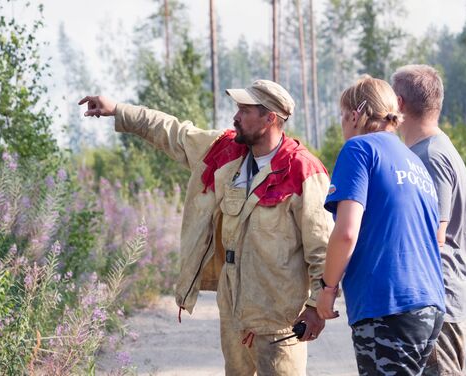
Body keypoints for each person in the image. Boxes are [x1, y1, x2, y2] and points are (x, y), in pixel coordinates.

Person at [79, 79, 334, 375]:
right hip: (234, 314)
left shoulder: (302, 170)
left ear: (270, 118)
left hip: (279, 321)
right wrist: (118, 110)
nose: (235, 117)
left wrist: (317, 305)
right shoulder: (224, 151)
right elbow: (172, 132)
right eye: (237, 109)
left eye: (244, 110)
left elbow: (322, 247)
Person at [316, 75, 446, 375]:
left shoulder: (359, 150)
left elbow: (346, 232)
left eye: (341, 114)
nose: (342, 122)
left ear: (355, 113)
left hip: (388, 305)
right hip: (429, 304)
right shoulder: (413, 162)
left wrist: (327, 288)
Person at [392, 64, 466, 376]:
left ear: (399, 104)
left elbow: (433, 233)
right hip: (434, 298)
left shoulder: (431, 156)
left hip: (440, 300)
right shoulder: (428, 149)